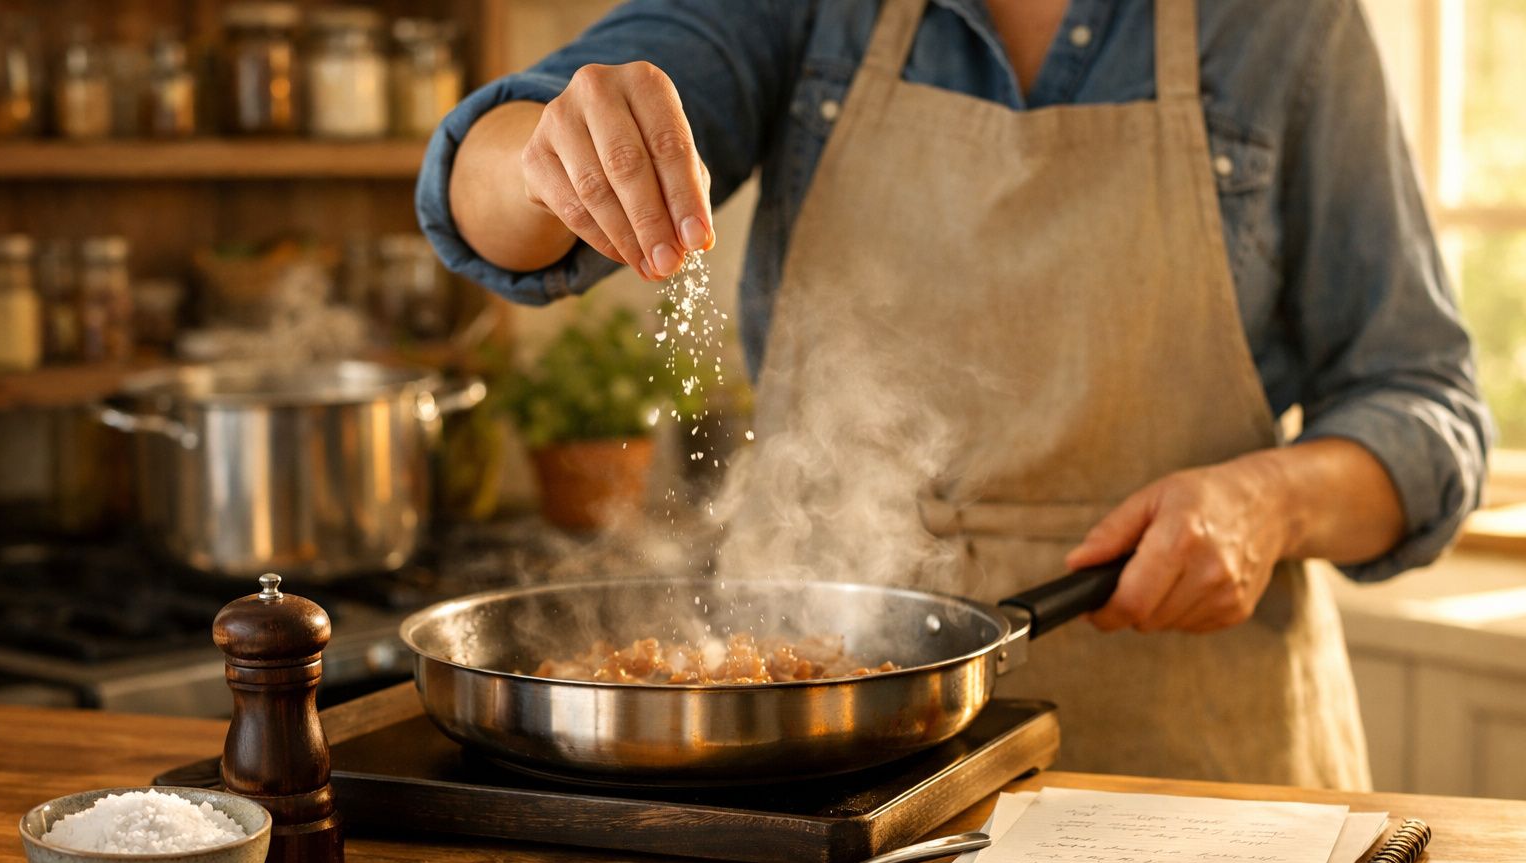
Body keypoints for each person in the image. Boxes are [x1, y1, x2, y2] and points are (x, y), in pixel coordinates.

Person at [416, 0, 1490, 788]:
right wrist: (545, 152)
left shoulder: (1286, 27)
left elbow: (1427, 406)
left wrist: (1269, 504)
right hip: (847, 780)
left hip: (1201, 766)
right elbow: (482, 195)